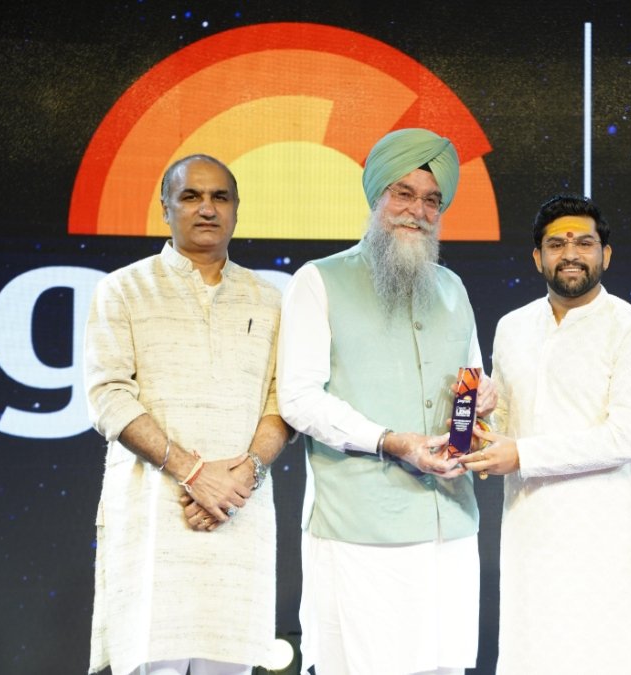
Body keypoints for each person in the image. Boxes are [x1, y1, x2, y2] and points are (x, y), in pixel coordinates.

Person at [276, 128, 493, 675]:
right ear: (377, 196)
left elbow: (470, 382)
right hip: (360, 531)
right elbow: (298, 398)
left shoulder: (453, 288)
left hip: (450, 526)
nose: (417, 211)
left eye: (431, 200)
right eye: (403, 193)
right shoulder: (318, 282)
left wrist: (480, 403)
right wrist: (391, 442)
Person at [85, 154, 289, 675]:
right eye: (191, 196)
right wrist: (193, 473)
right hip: (154, 516)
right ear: (165, 208)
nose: (207, 209)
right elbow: (108, 395)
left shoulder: (271, 300)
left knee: (231, 660)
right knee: (153, 658)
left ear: (237, 209)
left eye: (220, 197)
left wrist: (243, 476)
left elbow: (282, 401)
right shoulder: (123, 289)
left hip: (237, 513)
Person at [460, 195, 631, 674]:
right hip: (529, 536)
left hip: (603, 541)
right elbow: (505, 425)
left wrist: (520, 455)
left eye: (584, 243)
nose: (570, 254)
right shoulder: (512, 327)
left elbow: (625, 438)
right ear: (538, 257)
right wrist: (476, 424)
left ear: (605, 254)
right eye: (556, 244)